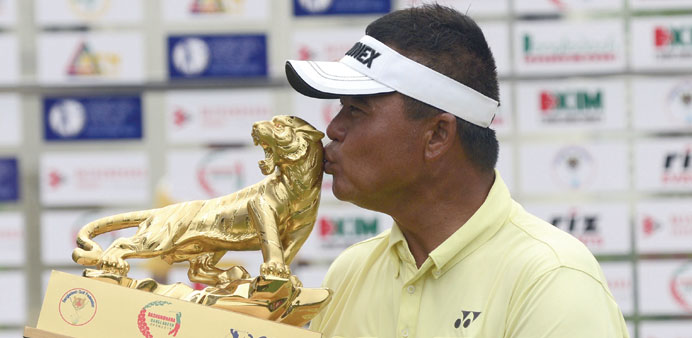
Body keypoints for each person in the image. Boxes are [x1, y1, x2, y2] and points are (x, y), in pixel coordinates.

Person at [285, 4, 629, 338]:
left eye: (356, 109)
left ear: (437, 135)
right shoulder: (349, 273)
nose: (332, 129)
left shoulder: (553, 278)